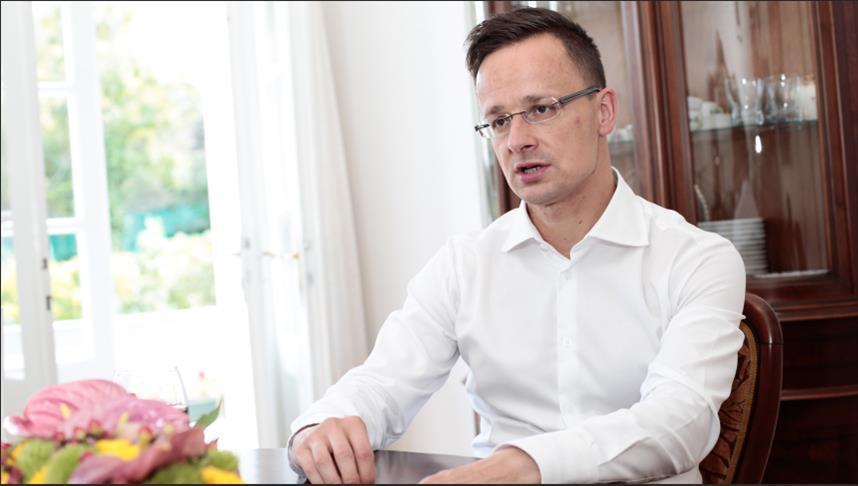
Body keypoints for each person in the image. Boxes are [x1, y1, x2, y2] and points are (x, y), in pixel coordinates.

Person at [287, 7, 745, 484]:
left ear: (604, 111)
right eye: (499, 120)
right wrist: (319, 428)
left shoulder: (697, 260)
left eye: (542, 109)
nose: (516, 140)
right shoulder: (464, 265)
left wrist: (523, 465)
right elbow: (382, 382)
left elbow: (680, 422)